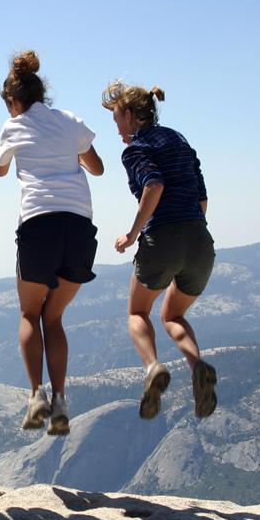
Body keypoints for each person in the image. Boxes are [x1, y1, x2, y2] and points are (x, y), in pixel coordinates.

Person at [0, 52, 104, 434]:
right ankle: (60, 401)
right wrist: (69, 152)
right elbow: (97, 166)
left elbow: (0, 168)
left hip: (39, 224)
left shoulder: (13, 126)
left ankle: (36, 395)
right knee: (53, 317)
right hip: (78, 227)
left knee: (29, 314)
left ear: (12, 101)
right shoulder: (70, 121)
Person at [103, 81, 217, 419]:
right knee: (174, 315)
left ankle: (153, 368)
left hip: (162, 239)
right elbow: (202, 198)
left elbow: (154, 185)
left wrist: (131, 233)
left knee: (138, 312)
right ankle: (197, 366)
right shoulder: (179, 140)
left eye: (117, 119)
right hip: (200, 240)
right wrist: (187, 232)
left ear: (131, 115)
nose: (117, 128)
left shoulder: (136, 149)